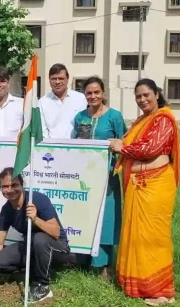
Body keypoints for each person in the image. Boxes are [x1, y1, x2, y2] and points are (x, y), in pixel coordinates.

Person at [108, 78, 180, 306]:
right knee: (137, 237)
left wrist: (123, 147)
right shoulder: (143, 120)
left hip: (155, 186)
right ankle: (139, 285)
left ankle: (162, 292)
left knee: (154, 238)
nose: (142, 100)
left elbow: (152, 148)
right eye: (138, 97)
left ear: (157, 94)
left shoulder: (164, 119)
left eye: (146, 95)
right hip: (139, 186)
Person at [0, 168, 71, 303]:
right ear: (0, 189)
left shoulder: (38, 200)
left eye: (14, 185)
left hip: (57, 247)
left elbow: (56, 233)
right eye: (5, 186)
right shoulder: (6, 210)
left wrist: (35, 219)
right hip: (30, 245)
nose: (10, 190)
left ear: (22, 185)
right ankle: (32, 270)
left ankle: (42, 286)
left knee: (39, 239)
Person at [71, 76, 126, 279]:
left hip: (107, 177)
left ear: (103, 93)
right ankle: (84, 260)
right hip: (85, 177)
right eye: (89, 93)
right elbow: (74, 144)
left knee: (108, 218)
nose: (93, 96)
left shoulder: (114, 116)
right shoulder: (80, 117)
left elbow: (124, 143)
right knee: (86, 216)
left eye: (96, 92)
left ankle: (105, 264)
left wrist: (117, 145)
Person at [39, 63, 87, 139]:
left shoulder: (80, 98)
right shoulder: (42, 102)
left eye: (61, 78)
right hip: (51, 147)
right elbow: (43, 130)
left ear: (67, 79)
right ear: (49, 80)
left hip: (76, 146)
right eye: (54, 79)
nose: (57, 82)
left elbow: (85, 123)